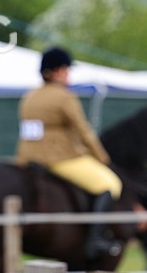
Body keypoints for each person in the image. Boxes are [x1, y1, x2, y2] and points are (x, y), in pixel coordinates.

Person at [16, 47, 123, 260]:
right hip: (57, 157)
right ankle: (95, 240)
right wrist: (102, 157)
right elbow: (83, 131)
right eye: (65, 70)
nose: (68, 75)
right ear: (55, 72)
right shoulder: (64, 97)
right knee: (110, 184)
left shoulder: (29, 96)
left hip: (27, 156)